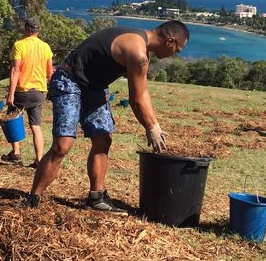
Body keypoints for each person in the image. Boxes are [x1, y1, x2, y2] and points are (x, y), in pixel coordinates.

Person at [22, 20, 189, 212]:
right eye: (177, 49)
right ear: (170, 41)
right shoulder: (138, 53)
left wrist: (155, 124)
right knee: (63, 145)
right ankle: (33, 198)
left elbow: (143, 93)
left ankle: (96, 197)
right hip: (69, 79)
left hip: (94, 87)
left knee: (103, 139)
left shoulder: (142, 48)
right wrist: (151, 128)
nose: (175, 54)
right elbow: (136, 100)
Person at [2, 17, 54, 167]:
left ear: (26, 29)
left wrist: (11, 93)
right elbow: (49, 72)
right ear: (38, 30)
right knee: (36, 126)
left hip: (21, 91)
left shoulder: (19, 45)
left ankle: (16, 153)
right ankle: (39, 160)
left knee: (12, 119)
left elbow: (16, 69)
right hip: (39, 91)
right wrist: (51, 90)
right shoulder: (46, 47)